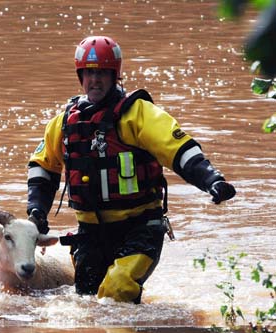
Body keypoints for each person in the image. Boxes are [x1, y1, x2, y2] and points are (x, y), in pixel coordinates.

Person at [26, 36, 236, 303]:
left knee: (118, 288)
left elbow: (178, 148)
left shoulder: (138, 114)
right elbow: (43, 168)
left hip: (140, 227)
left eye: (102, 73)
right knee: (86, 302)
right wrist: (36, 211)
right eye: (89, 73)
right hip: (90, 233)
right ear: (81, 76)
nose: (95, 80)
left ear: (115, 75)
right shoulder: (64, 122)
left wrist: (212, 180)